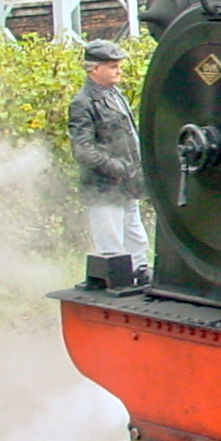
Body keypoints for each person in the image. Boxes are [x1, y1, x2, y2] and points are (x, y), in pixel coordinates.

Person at [68, 38, 149, 282]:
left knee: (134, 231)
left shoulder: (115, 95)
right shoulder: (82, 103)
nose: (118, 71)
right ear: (95, 69)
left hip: (127, 181)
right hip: (104, 185)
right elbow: (83, 150)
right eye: (113, 66)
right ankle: (118, 279)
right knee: (110, 238)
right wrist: (119, 168)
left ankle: (140, 269)